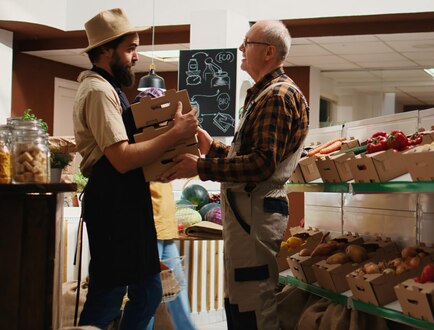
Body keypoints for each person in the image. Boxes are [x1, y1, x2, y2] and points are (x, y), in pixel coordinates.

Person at [161, 20, 309, 329]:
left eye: (247, 43)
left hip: (255, 215)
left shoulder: (277, 96)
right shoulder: (262, 94)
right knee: (240, 300)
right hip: (247, 213)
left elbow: (261, 165)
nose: (240, 49)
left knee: (255, 306)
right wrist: (211, 147)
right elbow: (249, 158)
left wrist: (200, 166)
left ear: (268, 52)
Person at [73, 8, 198, 329]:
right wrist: (176, 133)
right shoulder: (99, 91)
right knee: (111, 293)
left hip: (125, 201)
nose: (135, 57)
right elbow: (122, 158)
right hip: (114, 206)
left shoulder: (110, 88)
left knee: (146, 291)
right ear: (104, 50)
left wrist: (166, 163)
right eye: (129, 49)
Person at [133, 88, 196, 330]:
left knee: (172, 291)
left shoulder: (162, 141)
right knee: (154, 294)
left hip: (164, 226)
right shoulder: (144, 144)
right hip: (150, 226)